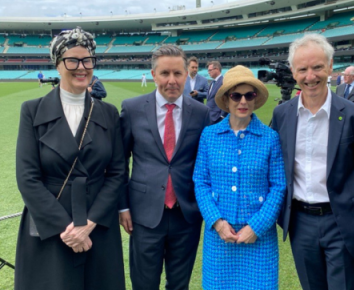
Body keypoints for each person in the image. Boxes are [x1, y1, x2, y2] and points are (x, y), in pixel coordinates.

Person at [15, 27, 126, 290]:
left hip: (97, 226)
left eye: (87, 60)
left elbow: (118, 173)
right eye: (72, 60)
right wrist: (68, 229)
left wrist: (88, 225)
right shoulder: (31, 111)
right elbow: (27, 177)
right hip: (51, 226)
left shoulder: (109, 113)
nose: (81, 67)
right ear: (57, 63)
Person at [271, 34, 354, 290]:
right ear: (294, 72)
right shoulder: (282, 114)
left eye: (317, 67)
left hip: (342, 221)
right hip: (300, 222)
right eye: (302, 69)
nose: (310, 76)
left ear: (330, 67)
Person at [119, 44, 210, 290]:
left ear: (186, 75)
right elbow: (120, 161)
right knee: (143, 282)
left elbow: (206, 162)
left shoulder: (201, 113)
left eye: (178, 73)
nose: (172, 81)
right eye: (165, 74)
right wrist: (123, 205)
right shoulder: (132, 108)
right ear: (153, 75)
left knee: (179, 284)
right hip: (144, 214)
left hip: (186, 214)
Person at [193, 65, 286, 290]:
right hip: (219, 237)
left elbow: (278, 186)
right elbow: (201, 182)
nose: (242, 101)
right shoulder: (209, 135)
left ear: (255, 99)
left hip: (259, 239)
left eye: (249, 95)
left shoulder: (270, 137)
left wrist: (256, 226)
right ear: (226, 99)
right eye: (236, 95)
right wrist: (216, 222)